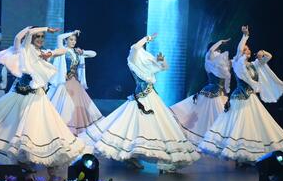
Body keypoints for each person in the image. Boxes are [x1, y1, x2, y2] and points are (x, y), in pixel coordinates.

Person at [0, 26, 87, 168]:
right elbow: (18, 38)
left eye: (42, 37)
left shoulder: (43, 52)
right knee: (17, 122)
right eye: (37, 36)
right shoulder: (26, 49)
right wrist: (43, 29)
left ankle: (28, 158)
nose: (40, 39)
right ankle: (22, 159)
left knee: (37, 125)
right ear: (32, 38)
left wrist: (51, 53)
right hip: (24, 93)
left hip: (39, 95)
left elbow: (62, 50)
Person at [81, 34, 200, 172]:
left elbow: (163, 67)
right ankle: (130, 156)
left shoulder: (146, 59)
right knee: (134, 126)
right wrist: (147, 38)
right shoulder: (132, 59)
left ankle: (165, 159)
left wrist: (161, 60)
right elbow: (135, 47)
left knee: (158, 125)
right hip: (140, 98)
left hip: (151, 97)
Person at [199, 26, 283, 163]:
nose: (247, 50)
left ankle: (250, 156)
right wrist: (245, 36)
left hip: (251, 98)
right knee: (240, 127)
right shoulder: (237, 63)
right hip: (239, 100)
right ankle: (239, 156)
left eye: (248, 49)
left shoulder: (254, 65)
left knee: (255, 125)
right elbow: (239, 51)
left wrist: (263, 52)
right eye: (244, 49)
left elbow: (269, 57)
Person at [170, 38, 231, 143]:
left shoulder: (220, 66)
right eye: (218, 50)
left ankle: (214, 141)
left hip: (216, 94)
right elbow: (211, 51)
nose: (219, 53)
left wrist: (227, 92)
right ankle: (211, 141)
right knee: (214, 118)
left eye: (219, 51)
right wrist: (220, 42)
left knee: (214, 119)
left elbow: (226, 82)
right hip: (213, 94)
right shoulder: (210, 62)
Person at [47, 30, 103, 134]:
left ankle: (75, 128)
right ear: (66, 40)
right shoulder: (62, 50)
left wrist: (83, 52)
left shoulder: (76, 52)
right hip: (65, 82)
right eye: (71, 39)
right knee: (65, 106)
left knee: (77, 106)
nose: (73, 42)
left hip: (75, 83)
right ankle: (64, 128)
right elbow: (59, 37)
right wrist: (73, 32)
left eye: (74, 40)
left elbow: (94, 54)